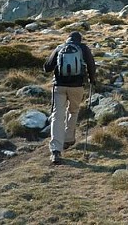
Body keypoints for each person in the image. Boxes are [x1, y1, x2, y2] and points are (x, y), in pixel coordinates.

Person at [44, 31, 96, 164]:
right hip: (77, 86)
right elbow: (91, 65)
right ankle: (68, 139)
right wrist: (92, 80)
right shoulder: (83, 48)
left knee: (57, 115)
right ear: (80, 39)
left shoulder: (60, 48)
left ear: (67, 39)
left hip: (59, 86)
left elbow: (47, 68)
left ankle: (56, 150)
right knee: (73, 110)